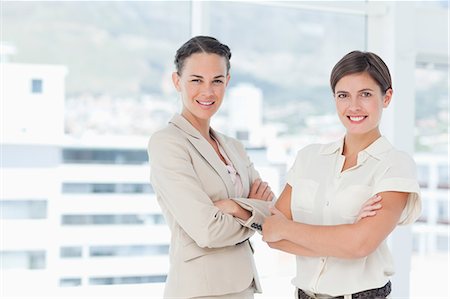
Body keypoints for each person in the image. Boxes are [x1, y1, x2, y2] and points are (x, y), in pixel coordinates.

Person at [262, 51, 421, 299]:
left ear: (386, 97)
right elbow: (272, 235)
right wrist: (344, 238)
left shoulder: (395, 165)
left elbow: (360, 244)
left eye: (366, 94)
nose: (354, 106)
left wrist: (288, 228)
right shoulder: (308, 158)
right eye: (343, 95)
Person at [147, 36, 275, 299]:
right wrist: (250, 209)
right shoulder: (168, 143)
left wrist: (233, 207)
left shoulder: (234, 147)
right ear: (176, 81)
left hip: (242, 287)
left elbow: (272, 211)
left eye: (216, 80)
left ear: (227, 82)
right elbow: (207, 230)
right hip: (199, 291)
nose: (207, 91)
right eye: (196, 80)